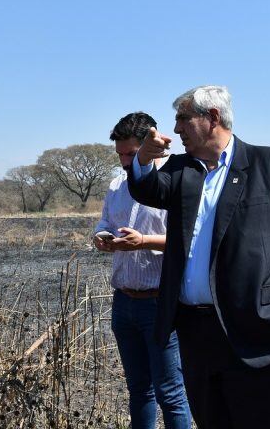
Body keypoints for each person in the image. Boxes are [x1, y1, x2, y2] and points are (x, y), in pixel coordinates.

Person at [127, 85, 270, 428]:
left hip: (263, 334)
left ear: (212, 117)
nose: (176, 129)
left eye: (183, 119)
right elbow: (146, 189)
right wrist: (142, 158)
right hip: (197, 336)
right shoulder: (181, 169)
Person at [94, 111, 191, 429]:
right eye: (120, 154)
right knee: (139, 390)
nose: (124, 161)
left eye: (131, 154)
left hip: (161, 302)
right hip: (124, 302)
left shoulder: (175, 179)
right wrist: (101, 236)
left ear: (151, 142)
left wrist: (143, 242)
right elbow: (105, 222)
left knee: (171, 392)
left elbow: (189, 241)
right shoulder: (117, 184)